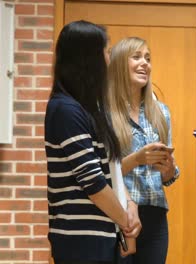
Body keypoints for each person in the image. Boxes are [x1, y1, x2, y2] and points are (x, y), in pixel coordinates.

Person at [45, 20, 138, 264]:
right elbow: (93, 183)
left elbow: (110, 167)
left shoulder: (91, 109)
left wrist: (130, 204)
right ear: (88, 60)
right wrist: (125, 222)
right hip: (80, 241)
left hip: (105, 234)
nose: (109, 61)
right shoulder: (65, 109)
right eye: (106, 53)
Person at [107, 37, 180, 264]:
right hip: (119, 214)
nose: (145, 64)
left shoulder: (160, 111)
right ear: (119, 64)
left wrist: (169, 169)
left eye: (148, 59)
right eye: (136, 57)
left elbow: (168, 177)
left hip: (156, 216)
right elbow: (102, 171)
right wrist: (137, 159)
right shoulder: (104, 112)